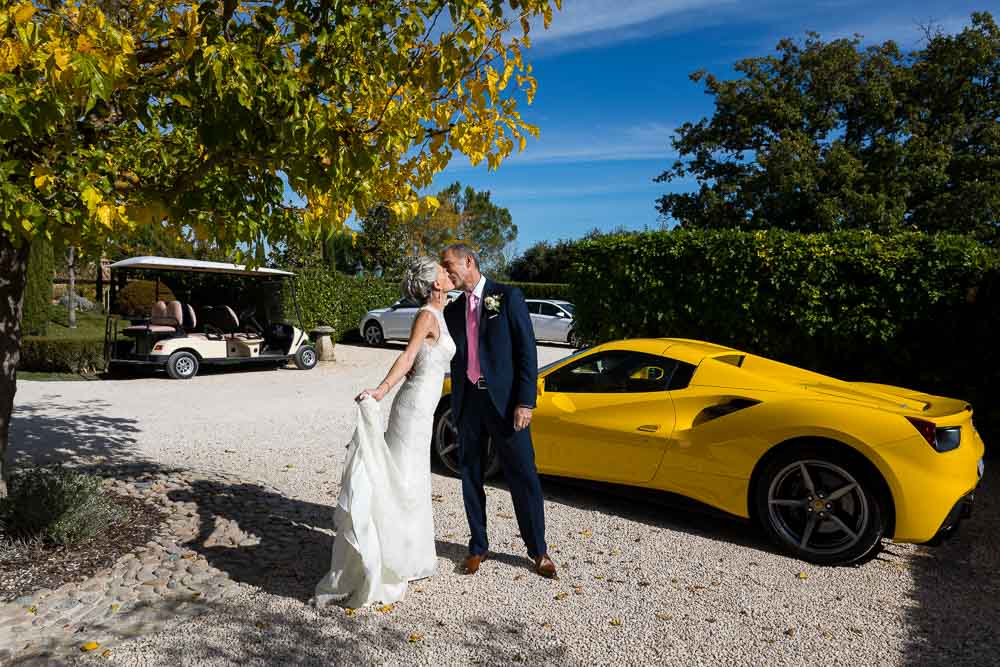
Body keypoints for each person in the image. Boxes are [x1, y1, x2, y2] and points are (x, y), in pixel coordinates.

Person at [314, 256, 456, 608]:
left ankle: (408, 554)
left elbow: (427, 360)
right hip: (412, 408)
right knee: (402, 479)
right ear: (435, 284)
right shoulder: (426, 315)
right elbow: (407, 359)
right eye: (442, 271)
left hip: (424, 407)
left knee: (413, 479)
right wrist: (381, 390)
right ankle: (391, 557)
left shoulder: (439, 313)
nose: (448, 273)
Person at [440, 243, 556, 578]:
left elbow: (526, 352)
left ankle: (538, 551)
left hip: (506, 405)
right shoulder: (452, 310)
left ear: (469, 261)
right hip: (469, 404)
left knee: (523, 475)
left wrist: (525, 401)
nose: (446, 273)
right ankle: (478, 546)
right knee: (470, 476)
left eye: (449, 266)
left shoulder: (507, 296)